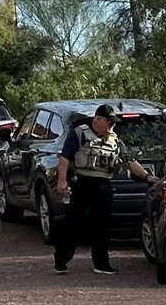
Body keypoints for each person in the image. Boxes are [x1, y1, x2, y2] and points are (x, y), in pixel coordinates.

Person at [53, 103, 150, 275]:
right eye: (109, 122)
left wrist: (147, 177)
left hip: (103, 185)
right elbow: (65, 158)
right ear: (97, 120)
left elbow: (129, 161)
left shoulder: (114, 139)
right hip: (82, 183)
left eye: (113, 123)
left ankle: (101, 264)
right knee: (73, 223)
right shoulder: (80, 133)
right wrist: (62, 181)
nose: (112, 126)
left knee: (101, 225)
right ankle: (61, 261)